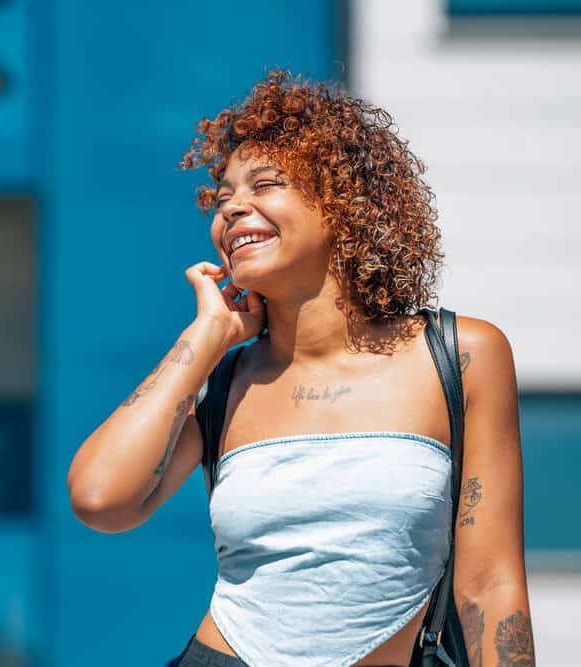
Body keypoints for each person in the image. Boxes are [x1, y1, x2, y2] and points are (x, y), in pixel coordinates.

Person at [66, 69, 535, 666]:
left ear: (343, 204)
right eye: (223, 197)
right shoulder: (224, 383)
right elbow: (100, 498)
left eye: (264, 184)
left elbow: (490, 584)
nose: (234, 207)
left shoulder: (462, 355)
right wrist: (206, 336)